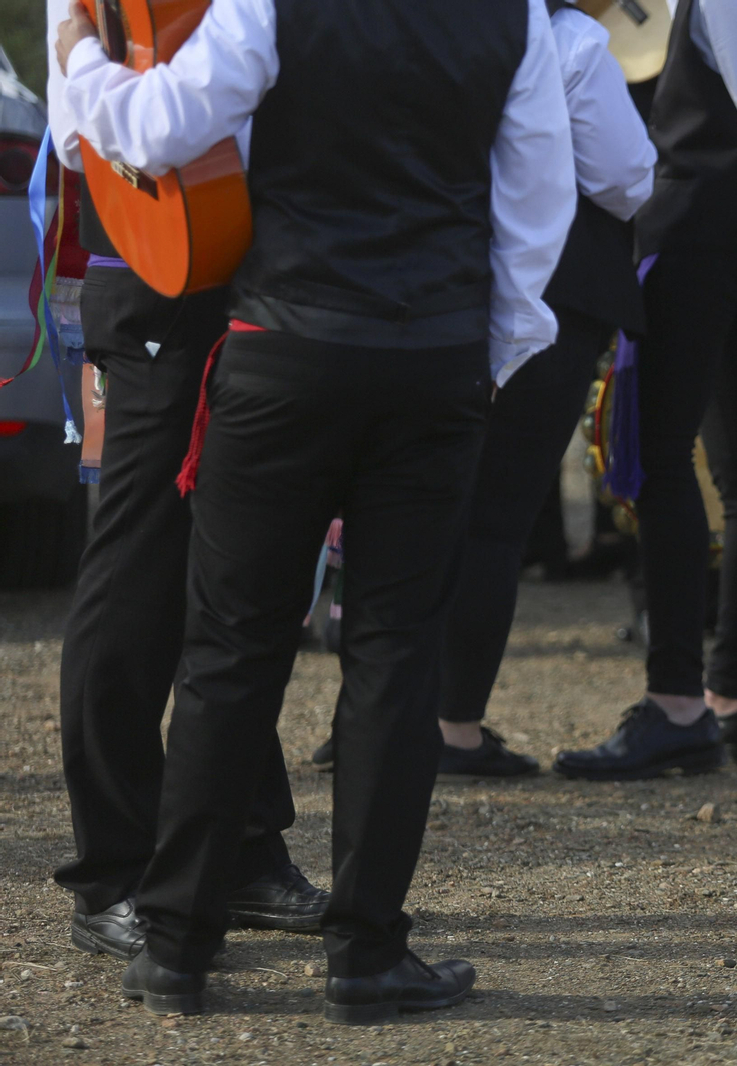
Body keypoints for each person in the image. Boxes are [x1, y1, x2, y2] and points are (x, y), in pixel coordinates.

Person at [59, 0, 575, 1022]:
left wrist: (77, 58)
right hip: (434, 354)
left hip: (283, 345)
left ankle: (177, 946)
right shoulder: (514, 13)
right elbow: (537, 204)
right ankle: (367, 954)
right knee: (395, 658)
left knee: (231, 649)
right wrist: (492, 355)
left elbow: (156, 130)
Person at [308, 0, 657, 781]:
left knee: (396, 511)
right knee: (493, 521)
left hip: (423, 286)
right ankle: (453, 726)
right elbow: (627, 178)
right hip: (547, 300)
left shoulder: (411, 25)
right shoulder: (569, 40)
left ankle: (370, 714)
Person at [45, 0, 327, 963]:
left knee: (237, 577)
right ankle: (113, 870)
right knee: (135, 573)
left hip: (252, 270)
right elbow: (94, 137)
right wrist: (86, 63)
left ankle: (240, 847)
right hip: (159, 271)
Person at [554, 0, 737, 780]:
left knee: (666, 463)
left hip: (701, 243)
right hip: (719, 239)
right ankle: (724, 702)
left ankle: (679, 704)